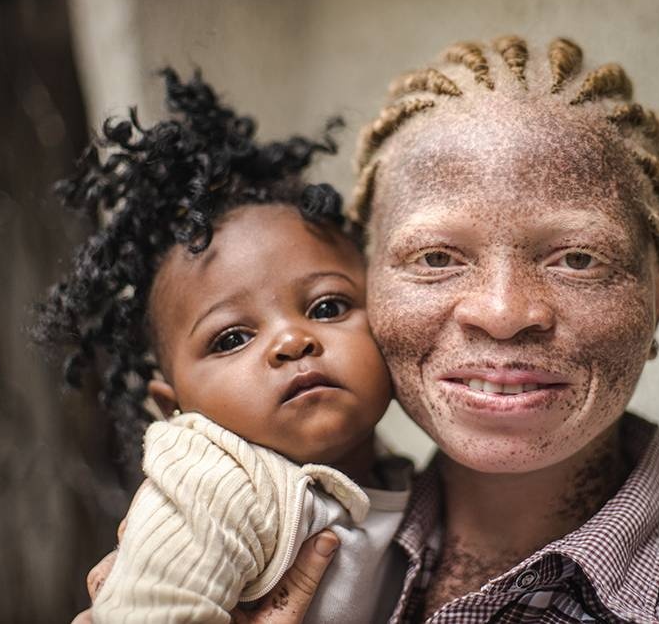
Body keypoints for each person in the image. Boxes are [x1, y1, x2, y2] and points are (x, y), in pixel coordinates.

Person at [82, 36, 659, 622]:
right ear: (372, 287)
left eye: (577, 258)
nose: (502, 309)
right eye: (434, 257)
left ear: (657, 300)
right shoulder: (298, 522)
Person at [37, 70, 412, 623]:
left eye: (327, 307)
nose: (291, 340)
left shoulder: (405, 479)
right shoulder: (216, 483)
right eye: (233, 337)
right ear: (174, 406)